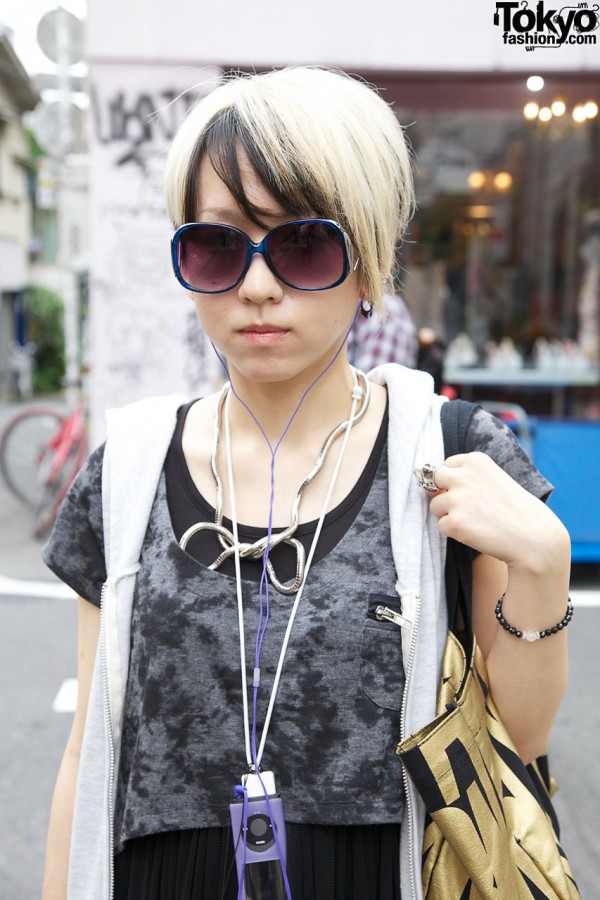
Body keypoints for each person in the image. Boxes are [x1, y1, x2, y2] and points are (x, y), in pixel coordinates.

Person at [41, 66, 572, 900]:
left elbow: (520, 740)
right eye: (217, 246)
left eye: (303, 245)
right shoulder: (131, 467)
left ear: (367, 263)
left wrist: (544, 566)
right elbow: (88, 750)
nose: (257, 286)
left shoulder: (452, 454)